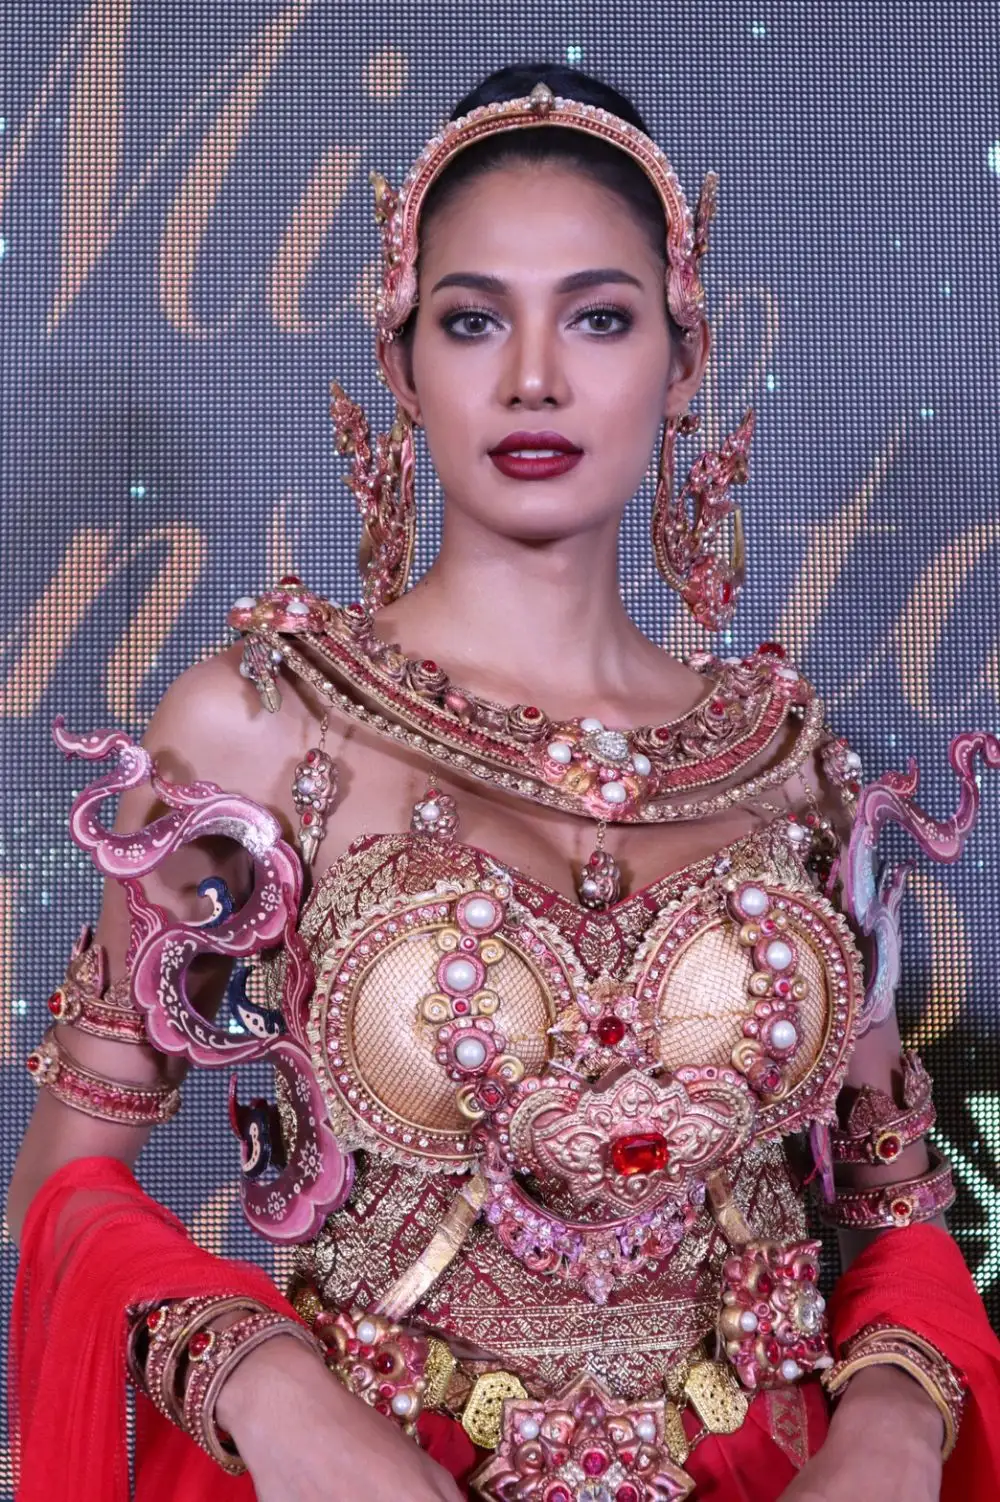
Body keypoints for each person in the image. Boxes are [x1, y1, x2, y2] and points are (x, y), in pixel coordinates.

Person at [7, 61, 1000, 1502]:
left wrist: (898, 1419)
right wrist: (269, 1390)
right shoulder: (265, 726)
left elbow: (898, 1202)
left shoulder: (788, 765)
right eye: (474, 320)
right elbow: (65, 1183)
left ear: (684, 358)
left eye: (599, 317)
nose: (534, 377)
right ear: (402, 362)